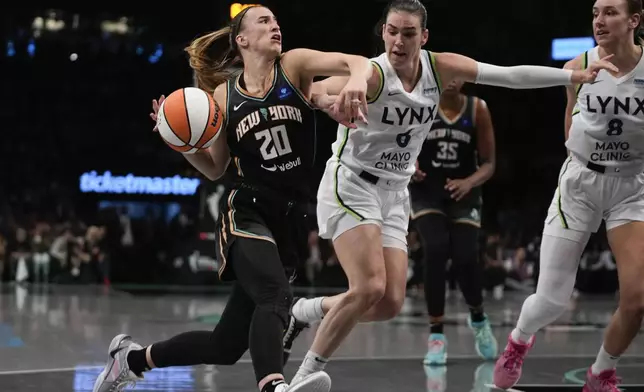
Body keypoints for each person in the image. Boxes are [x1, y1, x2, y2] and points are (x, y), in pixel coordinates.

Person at [287, 0, 616, 386]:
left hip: (396, 192)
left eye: (408, 33)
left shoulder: (439, 68)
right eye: (392, 32)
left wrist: (572, 79)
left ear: (423, 37)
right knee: (369, 286)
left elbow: (508, 76)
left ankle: (308, 309)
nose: (398, 41)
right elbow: (310, 88)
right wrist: (330, 102)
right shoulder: (372, 75)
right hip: (353, 184)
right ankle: (306, 375)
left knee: (390, 302)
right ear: (384, 33)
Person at [91, 5, 374, 392]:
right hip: (247, 211)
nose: (275, 26)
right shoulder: (223, 98)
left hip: (290, 217)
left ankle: (132, 359)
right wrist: (180, 142)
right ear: (242, 39)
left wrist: (356, 79)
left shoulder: (294, 66)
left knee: (224, 346)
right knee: (276, 297)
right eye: (264, 21)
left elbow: (356, 62)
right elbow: (215, 167)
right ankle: (273, 386)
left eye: (276, 21)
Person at [493, 0, 644, 391]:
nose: (599, 20)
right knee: (552, 299)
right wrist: (579, 158)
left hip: (631, 187)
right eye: (595, 12)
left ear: (635, 20)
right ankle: (519, 340)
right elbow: (570, 114)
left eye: (610, 11)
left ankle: (600, 373)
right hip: (580, 184)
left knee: (638, 299)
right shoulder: (575, 65)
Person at [410, 80, 497, 366]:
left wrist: (468, 182)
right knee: (435, 249)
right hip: (428, 193)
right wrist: (410, 168)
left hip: (464, 193)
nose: (450, 80)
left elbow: (488, 163)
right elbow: (402, 146)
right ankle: (437, 336)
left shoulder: (478, 109)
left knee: (465, 258)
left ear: (464, 78)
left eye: (456, 74)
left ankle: (479, 317)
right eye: (444, 73)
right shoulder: (421, 103)